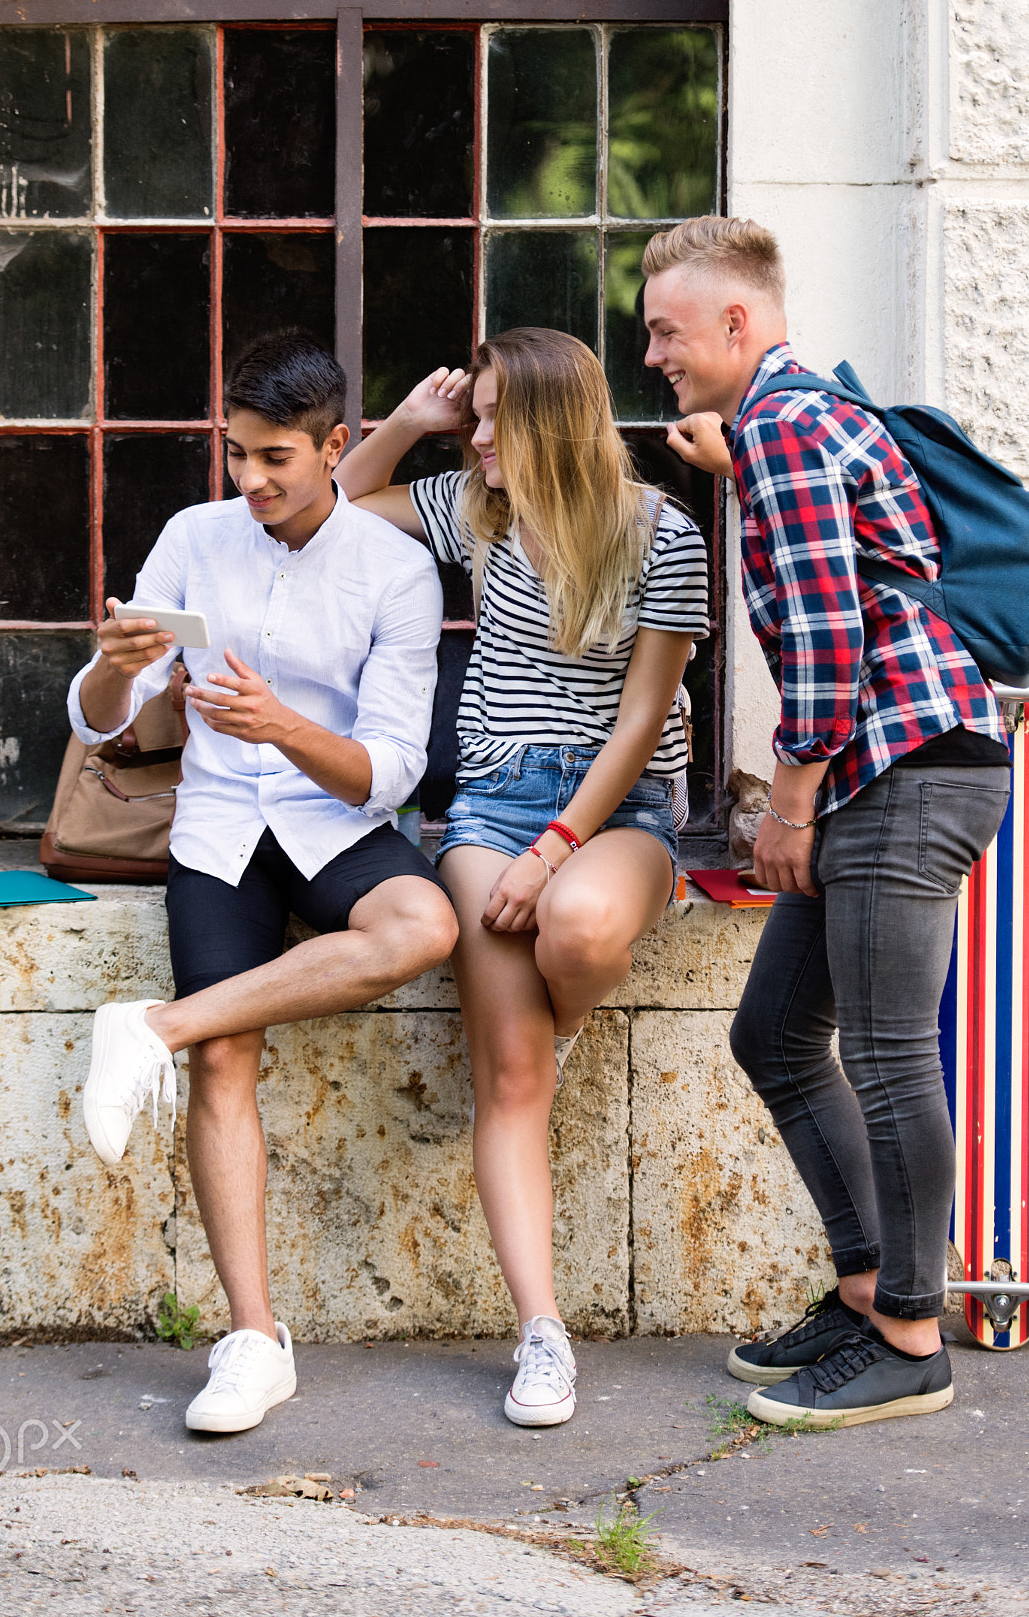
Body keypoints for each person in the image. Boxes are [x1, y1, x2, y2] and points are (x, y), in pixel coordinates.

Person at [644, 216, 1011, 1429]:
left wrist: (784, 804)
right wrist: (732, 461)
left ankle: (911, 1331)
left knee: (893, 1050)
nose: (653, 355)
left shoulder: (789, 428)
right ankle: (865, 1289)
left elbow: (822, 640)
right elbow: (844, 573)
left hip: (901, 774)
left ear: (738, 324)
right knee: (776, 1033)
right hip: (888, 771)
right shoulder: (784, 427)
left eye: (668, 331)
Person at [69, 332, 458, 1435]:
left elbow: (392, 766)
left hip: (337, 819)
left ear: (338, 444)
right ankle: (252, 1337)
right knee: (227, 1056)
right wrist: (112, 661)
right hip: (221, 825)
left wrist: (282, 726)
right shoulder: (196, 537)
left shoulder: (396, 570)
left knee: (421, 922)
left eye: (276, 456)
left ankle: (153, 1026)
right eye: (237, 452)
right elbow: (104, 713)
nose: (251, 480)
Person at [337, 328, 708, 1428]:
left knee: (581, 929)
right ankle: (541, 1331)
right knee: (509, 1076)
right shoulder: (475, 506)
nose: (480, 435)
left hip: (617, 807)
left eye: (496, 416)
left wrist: (556, 849)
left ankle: (562, 1004)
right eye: (477, 417)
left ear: (552, 419)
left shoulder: (663, 533)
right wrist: (411, 423)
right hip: (487, 804)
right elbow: (337, 514)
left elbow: (642, 719)